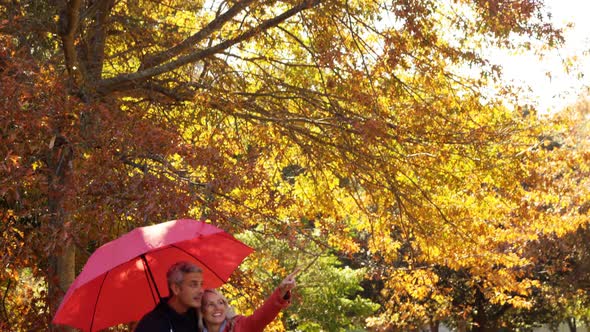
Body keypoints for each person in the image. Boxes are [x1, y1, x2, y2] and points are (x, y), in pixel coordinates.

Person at [199, 268, 299, 332]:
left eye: (220, 303)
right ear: (202, 311)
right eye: (210, 304)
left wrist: (281, 291)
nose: (217, 308)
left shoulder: (239, 326)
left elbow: (262, 317)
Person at [134, 261, 204, 332]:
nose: (201, 291)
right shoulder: (151, 325)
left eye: (201, 284)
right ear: (176, 289)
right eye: (194, 285)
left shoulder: (199, 315)